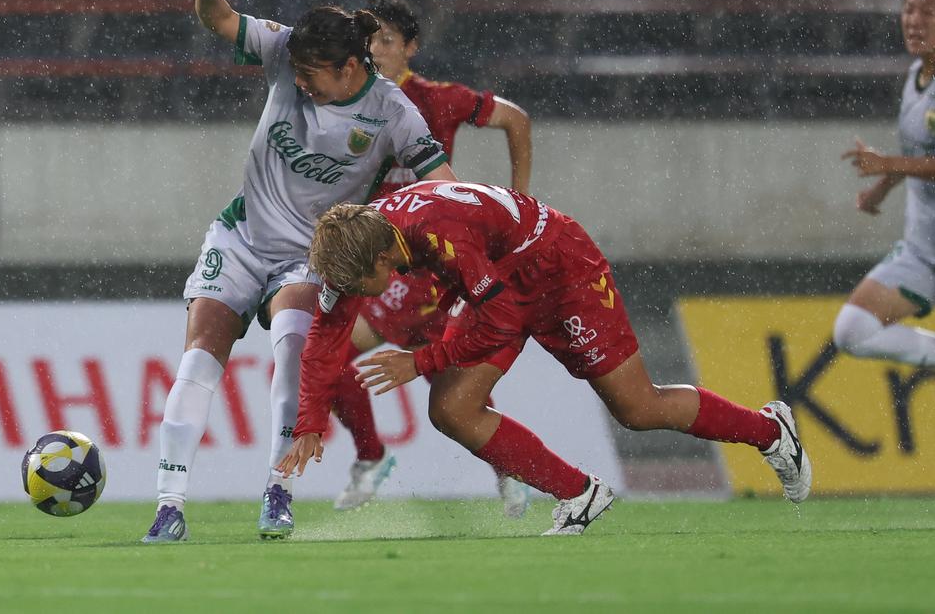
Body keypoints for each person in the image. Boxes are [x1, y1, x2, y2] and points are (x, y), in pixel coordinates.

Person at [278, 181, 811, 535]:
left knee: (638, 408)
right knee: (453, 410)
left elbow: (501, 320)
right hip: (499, 277)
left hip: (560, 267)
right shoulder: (360, 241)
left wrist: (419, 362)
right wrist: (308, 423)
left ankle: (769, 432)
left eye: (359, 286)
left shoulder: (441, 237)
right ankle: (579, 494)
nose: (357, 296)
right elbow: (326, 334)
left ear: (381, 259)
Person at [141, 0, 456, 543]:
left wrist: (436, 256)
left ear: (350, 68)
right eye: (299, 75)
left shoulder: (393, 114)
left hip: (310, 257)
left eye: (315, 78)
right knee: (198, 358)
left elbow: (445, 187)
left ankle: (278, 492)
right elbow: (221, 20)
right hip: (240, 237)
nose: (302, 85)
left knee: (292, 356)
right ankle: (169, 506)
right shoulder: (286, 47)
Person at [327, 0, 535, 514]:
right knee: (444, 387)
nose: (376, 51)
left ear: (411, 48)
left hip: (436, 267)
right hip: (382, 265)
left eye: (387, 42)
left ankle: (501, 467)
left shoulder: (437, 100)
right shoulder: (345, 103)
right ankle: (378, 458)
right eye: (369, 41)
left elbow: (517, 120)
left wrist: (519, 200)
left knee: (448, 390)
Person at [837, 0, 935, 384]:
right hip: (924, 250)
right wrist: (880, 188)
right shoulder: (916, 77)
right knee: (853, 331)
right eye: (909, 9)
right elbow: (919, 154)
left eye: (928, 12)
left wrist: (888, 165)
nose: (913, 20)